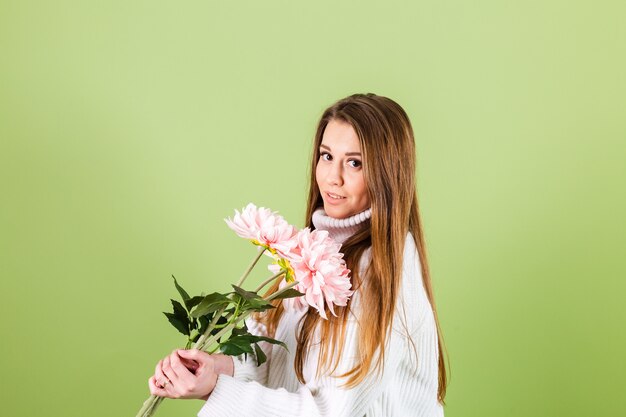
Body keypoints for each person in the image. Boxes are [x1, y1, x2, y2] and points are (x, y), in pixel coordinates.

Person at [148, 93, 448, 416]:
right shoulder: (314, 252)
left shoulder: (386, 269)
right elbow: (275, 362)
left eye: (355, 162)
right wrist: (217, 370)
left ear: (388, 174)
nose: (333, 177)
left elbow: (329, 411)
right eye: (326, 156)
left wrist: (218, 390)